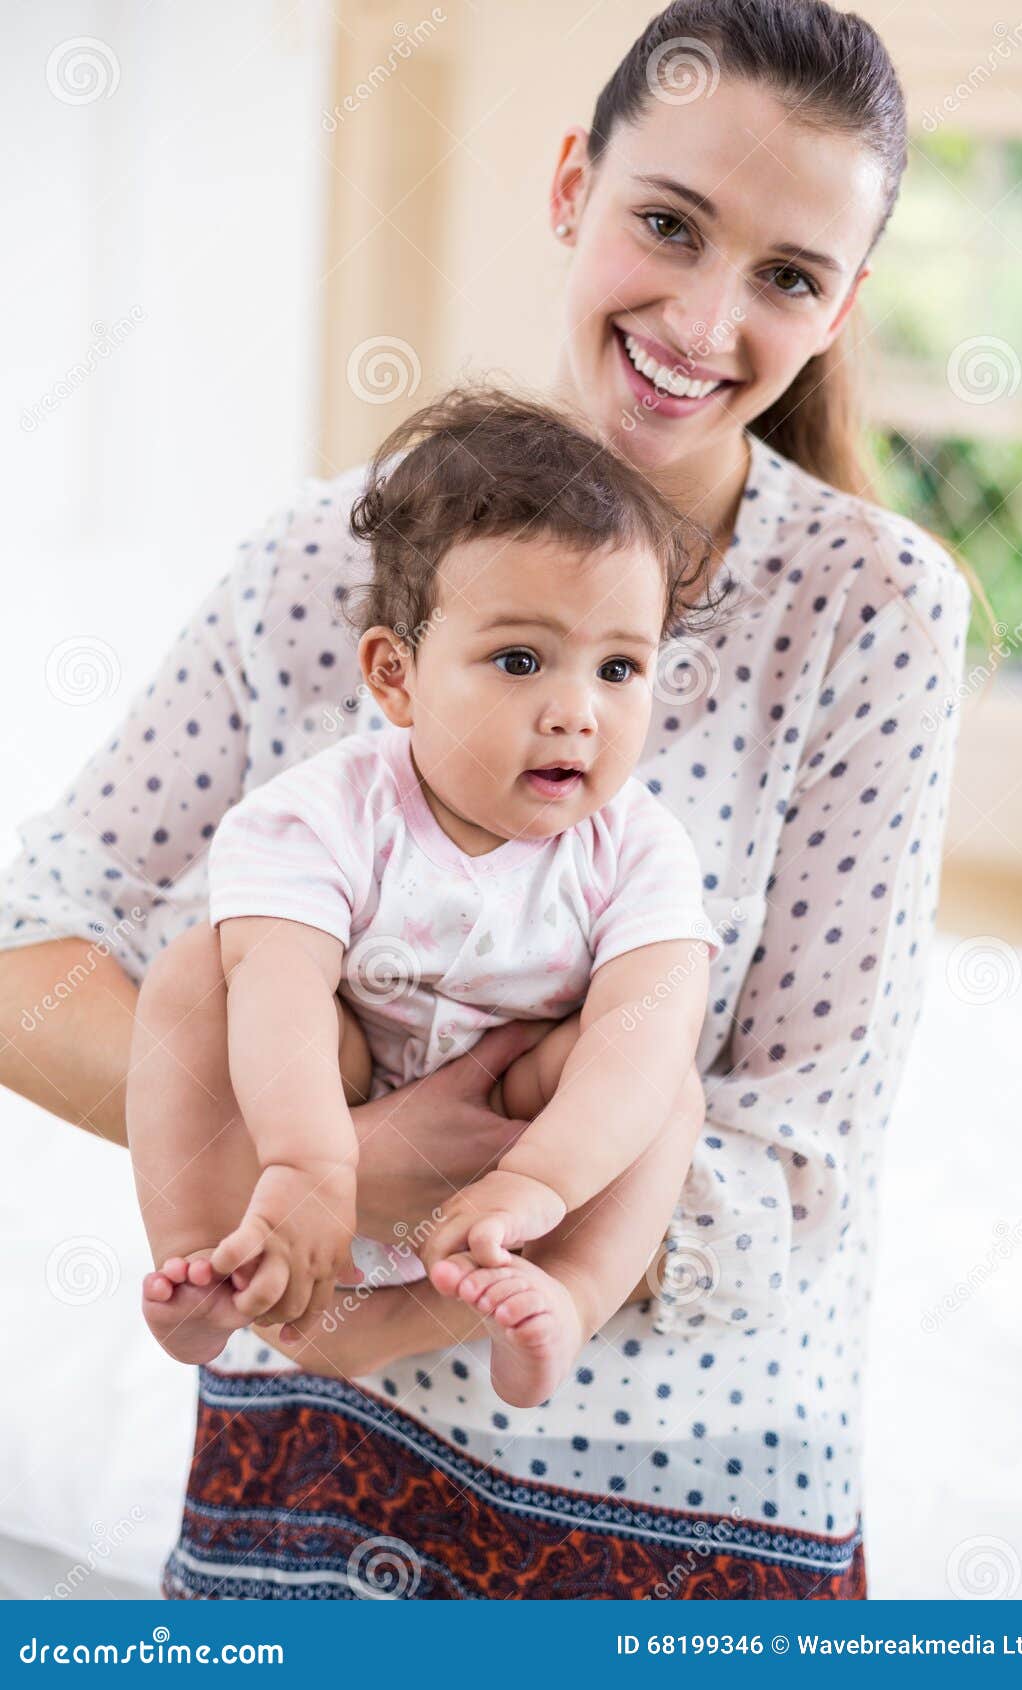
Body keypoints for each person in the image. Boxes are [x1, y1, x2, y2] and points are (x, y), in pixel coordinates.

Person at [0, 0, 973, 1599]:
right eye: (665, 223)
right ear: (568, 186)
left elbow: (789, 1177)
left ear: (840, 304)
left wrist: (481, 1177)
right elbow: (29, 959)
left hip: (677, 1494)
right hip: (310, 1453)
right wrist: (342, 1162)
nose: (704, 316)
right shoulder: (322, 560)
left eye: (787, 276)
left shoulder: (873, 612)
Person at [129, 386, 719, 1412]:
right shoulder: (324, 812)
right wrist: (311, 1159)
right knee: (198, 970)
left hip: (518, 1129)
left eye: (619, 666)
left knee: (663, 1083)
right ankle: (209, 1264)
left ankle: (562, 1300)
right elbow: (278, 979)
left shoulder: (639, 848)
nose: (575, 712)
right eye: (520, 660)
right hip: (333, 1097)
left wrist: (536, 1181)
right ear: (396, 677)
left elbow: (645, 1018)